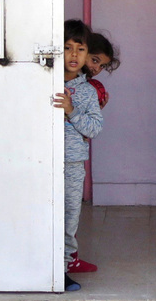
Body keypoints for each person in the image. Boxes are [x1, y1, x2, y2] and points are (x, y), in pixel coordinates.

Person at [53, 19, 103, 292]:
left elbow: (95, 128)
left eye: (80, 49)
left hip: (71, 165)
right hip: (42, 162)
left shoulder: (86, 92)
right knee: (43, 213)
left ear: (87, 54)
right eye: (67, 48)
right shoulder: (44, 82)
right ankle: (43, 265)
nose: (73, 55)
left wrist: (71, 110)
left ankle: (63, 269)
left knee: (69, 216)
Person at [84, 32, 121, 109]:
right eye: (94, 60)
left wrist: (93, 111)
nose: (97, 69)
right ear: (82, 52)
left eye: (102, 66)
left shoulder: (88, 86)